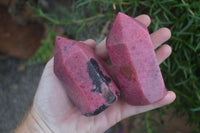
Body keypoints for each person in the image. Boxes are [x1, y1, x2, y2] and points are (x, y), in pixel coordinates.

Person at [15, 14, 176, 133]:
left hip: (132, 95)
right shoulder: (67, 59)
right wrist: (42, 125)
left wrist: (41, 126)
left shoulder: (118, 38)